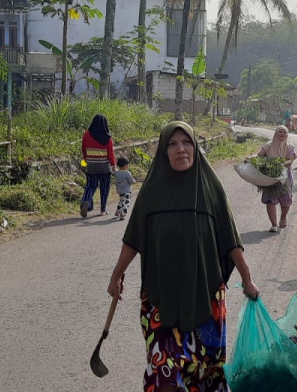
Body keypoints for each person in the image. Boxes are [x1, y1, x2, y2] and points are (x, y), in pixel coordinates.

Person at [107, 122, 260, 392]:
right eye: (173, 144)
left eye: (187, 142)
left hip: (206, 295)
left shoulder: (211, 189)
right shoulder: (151, 193)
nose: (181, 149)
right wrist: (116, 275)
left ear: (195, 147)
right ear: (163, 151)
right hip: (159, 297)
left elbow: (231, 241)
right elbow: (133, 239)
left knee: (204, 373)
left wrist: (248, 280)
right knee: (164, 371)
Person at [256, 125, 297, 233]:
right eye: (280, 132)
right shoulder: (268, 145)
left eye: (284, 132)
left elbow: (291, 160)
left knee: (286, 201)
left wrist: (281, 164)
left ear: (287, 134)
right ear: (276, 133)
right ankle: (274, 224)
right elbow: (259, 155)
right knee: (270, 200)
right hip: (270, 176)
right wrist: (252, 159)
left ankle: (283, 217)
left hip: (285, 177)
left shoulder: (290, 146)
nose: (282, 134)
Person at [80, 114, 116, 217]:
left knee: (90, 185)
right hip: (104, 166)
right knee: (104, 187)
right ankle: (103, 210)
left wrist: (86, 160)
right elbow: (110, 154)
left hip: (91, 165)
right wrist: (113, 165)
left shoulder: (86, 135)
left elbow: (83, 148)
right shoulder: (108, 138)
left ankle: (86, 201)